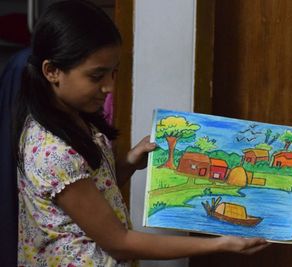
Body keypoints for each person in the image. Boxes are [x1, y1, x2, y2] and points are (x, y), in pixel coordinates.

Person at [13, 1, 269, 266]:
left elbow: (93, 192)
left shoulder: (74, 119)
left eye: (114, 73)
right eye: (97, 76)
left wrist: (127, 164)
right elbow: (119, 242)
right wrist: (221, 243)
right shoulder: (52, 150)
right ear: (52, 71)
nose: (109, 87)